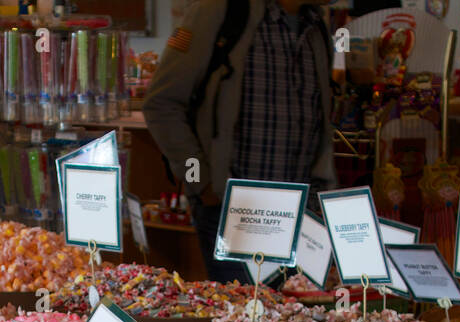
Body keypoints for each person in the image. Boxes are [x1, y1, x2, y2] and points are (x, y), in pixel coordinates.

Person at [143, 0, 336, 282]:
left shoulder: (316, 27)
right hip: (231, 216)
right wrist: (201, 181)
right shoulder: (221, 11)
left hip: (300, 222)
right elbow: (162, 104)